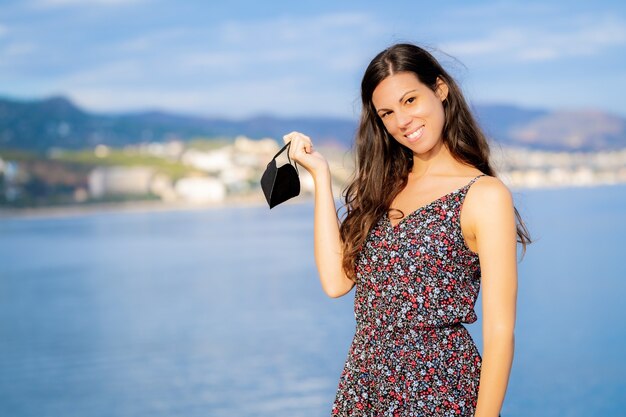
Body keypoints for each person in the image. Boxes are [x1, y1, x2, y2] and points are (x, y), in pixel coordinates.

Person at [283, 43, 531, 417]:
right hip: (365, 387)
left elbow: (499, 332)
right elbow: (336, 281)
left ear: (440, 90)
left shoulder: (484, 196)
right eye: (387, 112)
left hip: (440, 389)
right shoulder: (385, 187)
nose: (402, 120)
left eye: (411, 100)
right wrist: (320, 175)